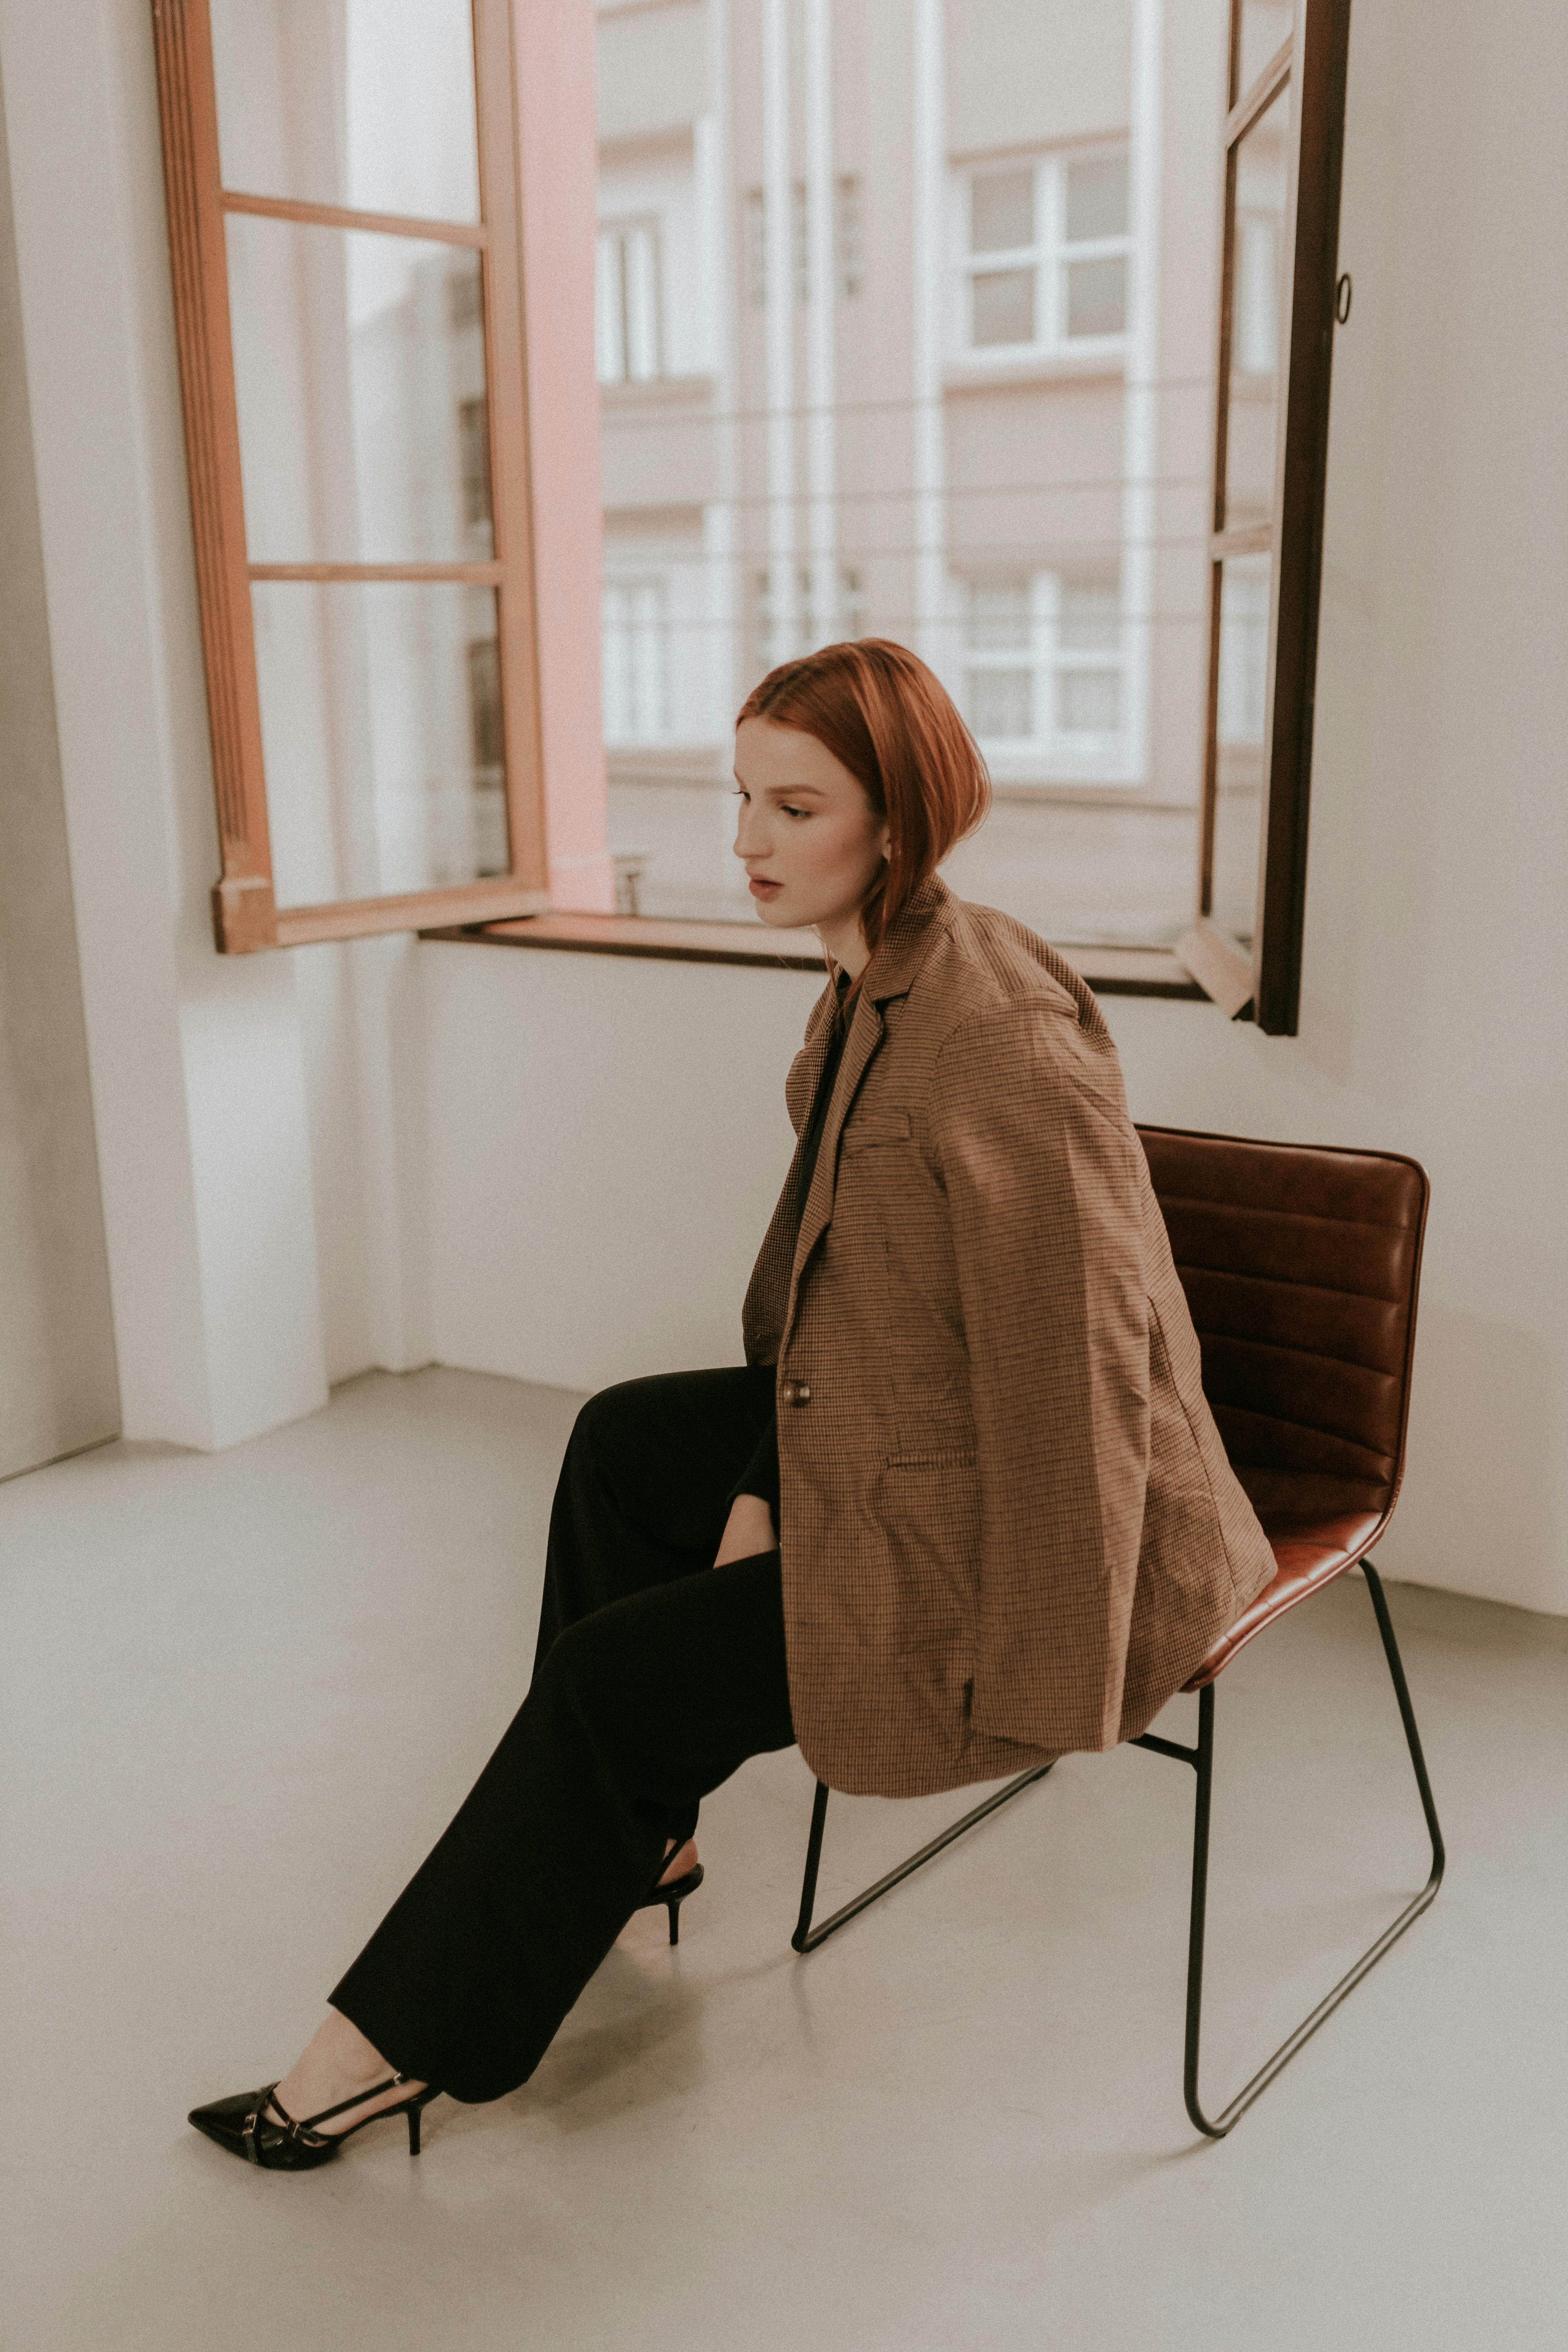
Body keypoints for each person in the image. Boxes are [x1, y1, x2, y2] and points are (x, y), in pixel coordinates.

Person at [188, 639, 1276, 2170]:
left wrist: (1054, 1660)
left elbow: (1077, 1363)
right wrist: (763, 1491)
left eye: (793, 807)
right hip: (902, 1424)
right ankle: (649, 1841)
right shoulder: (874, 977)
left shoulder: (992, 1031)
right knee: (625, 1443)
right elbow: (845, 1303)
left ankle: (384, 2051)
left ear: (893, 823)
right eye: (739, 799)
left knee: (607, 1686)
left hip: (1010, 1515)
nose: (747, 843)